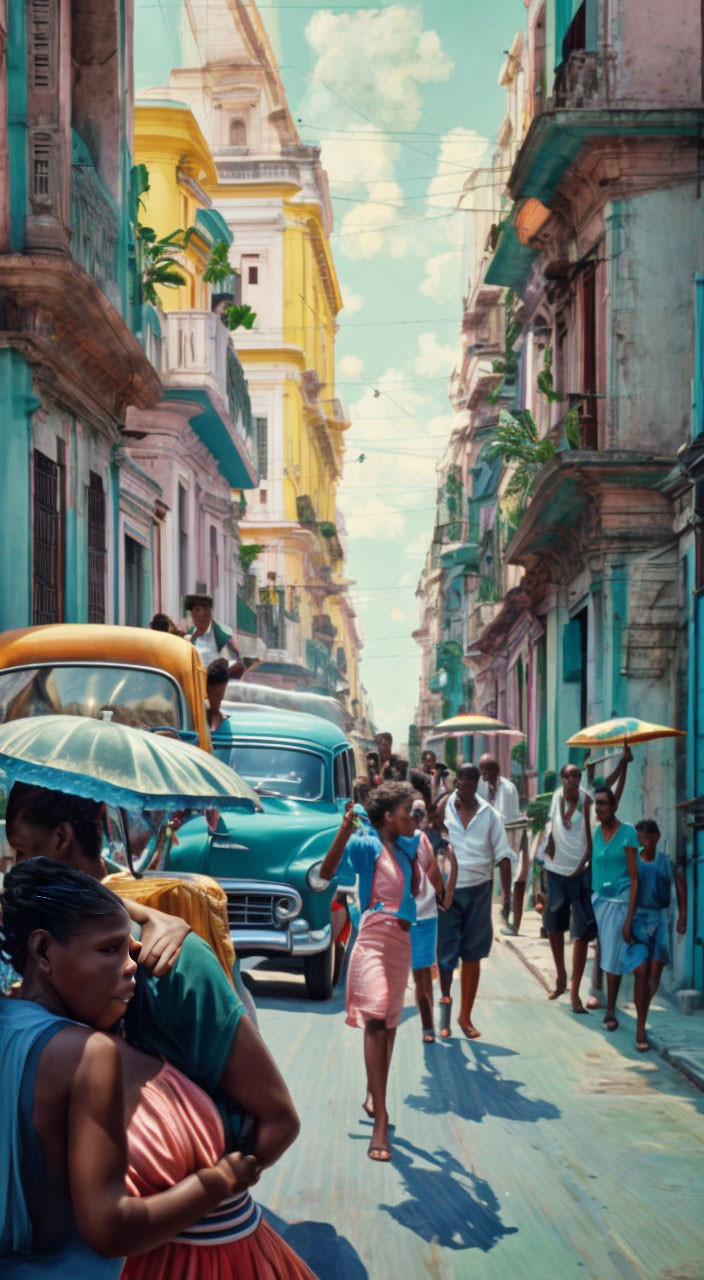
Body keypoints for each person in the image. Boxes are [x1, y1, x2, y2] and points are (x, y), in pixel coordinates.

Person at [4, 786, 301, 1227]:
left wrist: (208, 1203)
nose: (15, 875)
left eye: (24, 854)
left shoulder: (176, 965)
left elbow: (277, 1120)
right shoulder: (36, 977)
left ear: (62, 838)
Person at [0, 858, 260, 1277]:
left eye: (131, 950)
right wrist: (219, 1182)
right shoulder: (88, 1055)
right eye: (109, 949)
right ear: (43, 950)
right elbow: (110, 1230)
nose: (130, 966)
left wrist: (145, 912)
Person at [320, 782, 420, 1163]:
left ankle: (372, 1091)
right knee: (376, 1019)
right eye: (406, 811)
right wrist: (345, 828)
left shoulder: (407, 849)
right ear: (387, 817)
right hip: (373, 941)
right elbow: (328, 871)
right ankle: (382, 1117)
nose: (412, 817)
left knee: (390, 1024)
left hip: (402, 946)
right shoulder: (367, 845)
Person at [435, 764, 515, 1040]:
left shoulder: (490, 815)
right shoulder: (444, 808)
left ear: (477, 783)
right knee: (445, 955)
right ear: (456, 782)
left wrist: (508, 898)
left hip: (480, 890)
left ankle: (465, 1016)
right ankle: (444, 1013)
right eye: (460, 782)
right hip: (449, 891)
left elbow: (503, 856)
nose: (464, 788)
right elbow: (432, 842)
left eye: (469, 783)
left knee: (473, 955)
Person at [623, 819, 687, 1052]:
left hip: (659, 921)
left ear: (655, 838)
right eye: (638, 839)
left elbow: (680, 885)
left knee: (653, 977)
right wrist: (625, 922)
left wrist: (683, 916)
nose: (641, 843)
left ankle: (642, 1012)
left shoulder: (664, 862)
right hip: (638, 920)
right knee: (641, 973)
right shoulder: (634, 864)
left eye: (643, 839)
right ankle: (640, 1027)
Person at [543, 764, 597, 1013]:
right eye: (567, 776)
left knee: (581, 932)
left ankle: (575, 991)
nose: (571, 780)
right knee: (554, 926)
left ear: (580, 778)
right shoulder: (556, 797)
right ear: (562, 779)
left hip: (580, 873)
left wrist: (582, 866)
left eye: (575, 776)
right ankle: (561, 977)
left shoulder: (587, 801)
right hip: (555, 872)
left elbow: (589, 839)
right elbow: (552, 828)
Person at [590, 786, 640, 1032]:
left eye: (603, 803)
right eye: (596, 803)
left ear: (614, 806)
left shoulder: (628, 832)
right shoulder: (597, 832)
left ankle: (610, 1010)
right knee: (608, 954)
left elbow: (634, 878)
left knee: (612, 957)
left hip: (619, 904)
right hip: (599, 902)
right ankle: (606, 1001)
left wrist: (629, 917)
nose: (598, 808)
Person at [409, 796, 453, 1043]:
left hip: (427, 915)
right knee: (418, 976)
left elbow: (442, 873)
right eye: (412, 812)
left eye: (419, 813)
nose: (416, 817)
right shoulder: (397, 841)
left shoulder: (431, 840)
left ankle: (429, 1024)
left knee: (424, 973)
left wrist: (443, 897)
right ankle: (427, 1025)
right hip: (406, 915)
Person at [477, 754, 524, 933]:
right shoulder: (480, 786)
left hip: (504, 836)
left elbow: (508, 817)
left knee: (506, 870)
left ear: (495, 771)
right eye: (481, 769)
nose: (483, 774)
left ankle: (506, 903)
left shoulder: (509, 788)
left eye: (486, 770)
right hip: (484, 838)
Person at [185, 592, 244, 678]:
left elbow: (234, 664)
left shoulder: (223, 636)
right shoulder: (188, 635)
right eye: (195, 610)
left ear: (209, 612)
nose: (198, 614)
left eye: (200, 610)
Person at [206, 656, 231, 732]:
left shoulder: (218, 716)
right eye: (218, 695)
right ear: (209, 689)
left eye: (222, 695)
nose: (221, 699)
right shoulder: (197, 710)